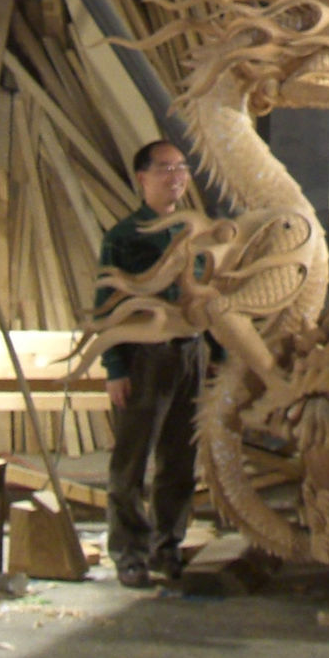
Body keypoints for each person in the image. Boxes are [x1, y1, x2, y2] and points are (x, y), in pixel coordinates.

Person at [97, 139, 204, 589]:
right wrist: (115, 369)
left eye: (181, 168)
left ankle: (167, 546)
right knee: (132, 460)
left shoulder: (195, 232)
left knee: (180, 459)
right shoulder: (124, 237)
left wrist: (216, 356)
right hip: (144, 357)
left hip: (190, 354)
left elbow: (208, 297)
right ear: (142, 178)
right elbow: (106, 305)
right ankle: (130, 553)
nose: (175, 176)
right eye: (165, 168)